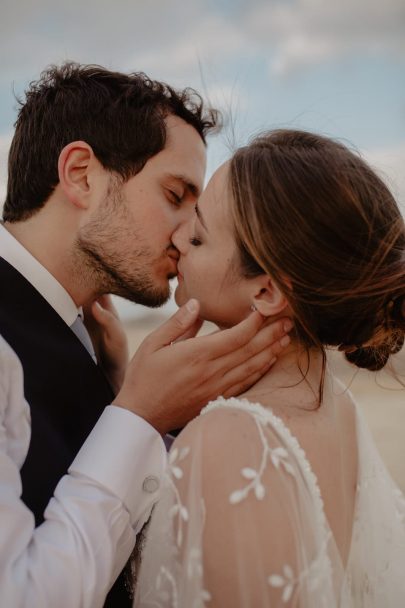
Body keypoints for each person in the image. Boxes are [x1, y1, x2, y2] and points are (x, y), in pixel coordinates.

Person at [0, 63, 290, 607]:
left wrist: (113, 393)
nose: (188, 235)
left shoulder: (85, 338)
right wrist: (136, 416)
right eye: (176, 195)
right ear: (82, 174)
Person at [132, 129, 405, 607]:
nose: (177, 237)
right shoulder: (334, 403)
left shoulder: (228, 440)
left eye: (198, 235)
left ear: (267, 293)